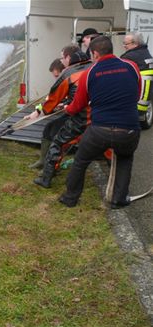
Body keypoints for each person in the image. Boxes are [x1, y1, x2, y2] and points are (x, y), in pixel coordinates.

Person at [59, 36, 141, 208]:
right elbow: (137, 95)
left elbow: (77, 106)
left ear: (95, 53)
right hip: (129, 130)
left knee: (81, 161)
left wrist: (65, 108)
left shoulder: (89, 73)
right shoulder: (131, 66)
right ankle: (118, 200)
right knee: (125, 160)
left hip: (99, 131)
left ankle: (70, 198)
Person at [25, 45, 92, 188]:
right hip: (100, 116)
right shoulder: (93, 66)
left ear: (69, 57)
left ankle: (46, 177)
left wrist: (37, 113)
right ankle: (44, 161)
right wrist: (67, 103)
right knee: (50, 128)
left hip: (82, 117)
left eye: (62, 57)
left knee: (58, 142)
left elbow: (52, 100)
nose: (61, 61)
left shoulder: (69, 74)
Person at [29, 58, 66, 169]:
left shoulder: (68, 80)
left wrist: (63, 104)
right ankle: (42, 160)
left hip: (77, 115)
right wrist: (37, 111)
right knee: (48, 128)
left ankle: (52, 166)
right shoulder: (61, 81)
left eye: (57, 75)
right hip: (68, 112)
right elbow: (49, 100)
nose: (56, 78)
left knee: (55, 133)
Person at [120, 32, 153, 128]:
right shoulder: (146, 53)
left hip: (136, 99)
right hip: (146, 96)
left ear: (135, 43)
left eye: (126, 44)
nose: (124, 46)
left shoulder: (128, 57)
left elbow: (119, 77)